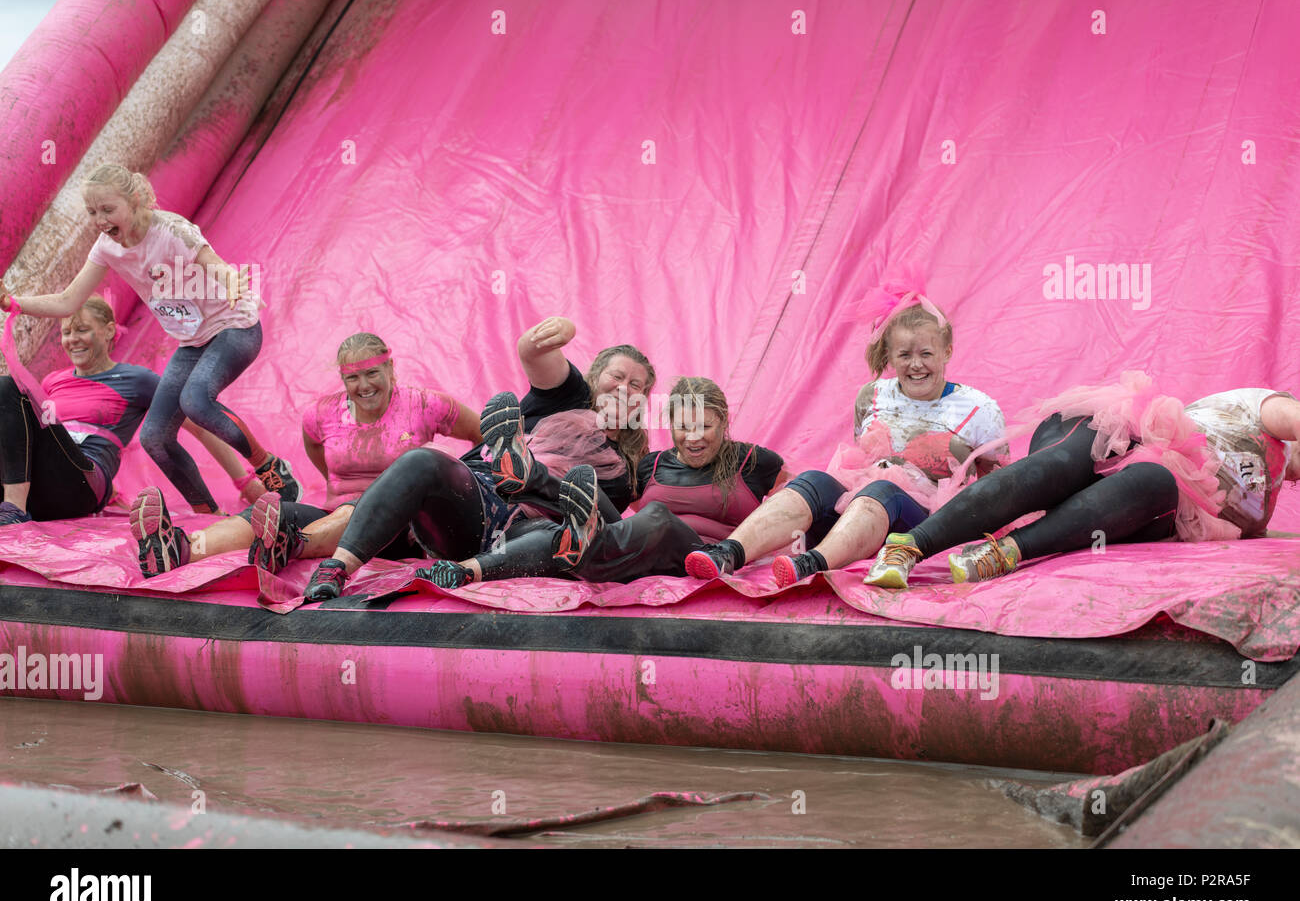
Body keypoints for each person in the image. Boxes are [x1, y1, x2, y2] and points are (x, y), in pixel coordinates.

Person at [2, 163, 300, 518]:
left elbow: (214, 263)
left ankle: (269, 466)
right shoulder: (107, 248)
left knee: (195, 401)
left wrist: (233, 282)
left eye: (108, 210)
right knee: (155, 437)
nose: (99, 220)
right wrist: (13, 303)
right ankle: (207, 514)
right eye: (92, 212)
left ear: (136, 201)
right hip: (192, 342)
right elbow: (69, 300)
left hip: (233, 327)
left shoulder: (171, 230)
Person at [301, 316, 657, 600]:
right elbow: (532, 350)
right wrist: (562, 330)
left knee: (563, 536)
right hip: (473, 505)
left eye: (637, 385)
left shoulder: (626, 469)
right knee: (423, 461)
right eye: (617, 376)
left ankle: (466, 570)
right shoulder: (569, 395)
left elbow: (618, 526)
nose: (625, 388)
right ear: (597, 377)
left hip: (523, 537)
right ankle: (335, 568)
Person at [683, 286, 1005, 587]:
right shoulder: (873, 396)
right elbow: (864, 454)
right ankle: (728, 553)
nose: (916, 364)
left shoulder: (978, 408)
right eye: (904, 354)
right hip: (858, 516)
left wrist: (957, 453)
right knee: (814, 480)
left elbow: (1000, 487)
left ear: (947, 351)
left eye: (926, 353)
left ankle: (813, 563)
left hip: (921, 528)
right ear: (890, 356)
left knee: (883, 489)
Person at [862, 373, 1300, 588]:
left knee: (1154, 480)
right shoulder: (1264, 408)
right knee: (1060, 465)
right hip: (1117, 432)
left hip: (1137, 496)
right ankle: (910, 545)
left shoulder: (1267, 503)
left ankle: (1005, 552)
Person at [127, 332, 481, 576]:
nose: (364, 385)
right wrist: (335, 483)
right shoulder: (322, 414)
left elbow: (481, 434)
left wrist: (463, 493)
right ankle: (179, 548)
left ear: (390, 369)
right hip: (335, 515)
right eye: (353, 378)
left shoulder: (424, 405)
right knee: (274, 512)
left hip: (402, 529)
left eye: (372, 373)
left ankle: (291, 543)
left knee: (359, 508)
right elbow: (315, 446)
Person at [419, 376, 789, 588]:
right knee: (589, 489)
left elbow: (792, 508)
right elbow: (626, 517)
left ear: (724, 424)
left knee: (656, 515)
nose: (693, 438)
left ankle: (585, 540)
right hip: (636, 552)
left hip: (698, 557)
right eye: (683, 426)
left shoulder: (756, 461)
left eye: (705, 427)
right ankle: (529, 477)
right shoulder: (650, 465)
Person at [0, 297, 252, 524]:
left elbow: (200, 425)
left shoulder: (136, 380)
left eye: (82, 329)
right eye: (66, 332)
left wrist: (245, 482)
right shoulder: (53, 381)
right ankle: (14, 506)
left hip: (82, 484)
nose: (72, 339)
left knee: (7, 386)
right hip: (42, 486)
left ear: (109, 330)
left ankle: (14, 512)